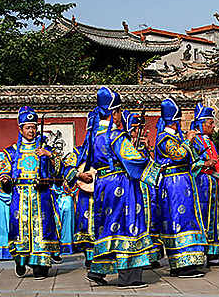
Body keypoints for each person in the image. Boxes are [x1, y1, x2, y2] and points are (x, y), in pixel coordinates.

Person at [0, 106, 84, 280]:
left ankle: (41, 265)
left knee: (43, 229)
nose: (32, 130)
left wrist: (49, 155)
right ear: (20, 128)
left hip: (41, 195)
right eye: (28, 127)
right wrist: (5, 179)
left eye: (34, 126)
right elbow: (5, 170)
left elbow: (59, 169)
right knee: (20, 230)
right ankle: (20, 260)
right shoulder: (12, 151)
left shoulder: (45, 147)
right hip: (20, 196)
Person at [86, 87, 153, 289]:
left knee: (108, 226)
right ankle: (128, 277)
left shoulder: (93, 135)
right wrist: (153, 166)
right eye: (119, 111)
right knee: (128, 225)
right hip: (121, 184)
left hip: (103, 185)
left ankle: (97, 270)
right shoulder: (116, 135)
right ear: (113, 112)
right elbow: (133, 160)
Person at [154, 98, 207, 278]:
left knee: (187, 218)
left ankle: (189, 261)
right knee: (179, 220)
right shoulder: (164, 138)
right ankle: (180, 264)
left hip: (183, 182)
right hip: (174, 184)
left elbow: (194, 154)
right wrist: (188, 141)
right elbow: (179, 155)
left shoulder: (176, 137)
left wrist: (192, 141)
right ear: (175, 121)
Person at [122, 110, 164, 268]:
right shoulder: (124, 145)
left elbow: (153, 162)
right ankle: (141, 256)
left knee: (152, 218)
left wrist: (148, 148)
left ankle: (153, 256)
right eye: (133, 129)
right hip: (134, 187)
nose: (135, 132)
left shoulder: (142, 145)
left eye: (137, 129)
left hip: (148, 188)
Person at [191, 103, 219, 268]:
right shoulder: (194, 141)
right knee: (205, 220)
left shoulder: (209, 141)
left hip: (214, 184)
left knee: (217, 220)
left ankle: (215, 255)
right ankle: (203, 253)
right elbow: (191, 161)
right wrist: (205, 162)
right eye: (210, 123)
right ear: (201, 124)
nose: (213, 126)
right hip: (202, 185)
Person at [62, 111, 97, 268]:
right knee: (86, 225)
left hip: (104, 195)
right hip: (85, 196)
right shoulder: (78, 152)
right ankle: (89, 257)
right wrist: (79, 175)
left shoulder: (106, 152)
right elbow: (65, 169)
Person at [0, 152, 12, 261]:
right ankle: (6, 251)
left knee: (0, 228)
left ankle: (0, 252)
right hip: (4, 203)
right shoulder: (4, 176)